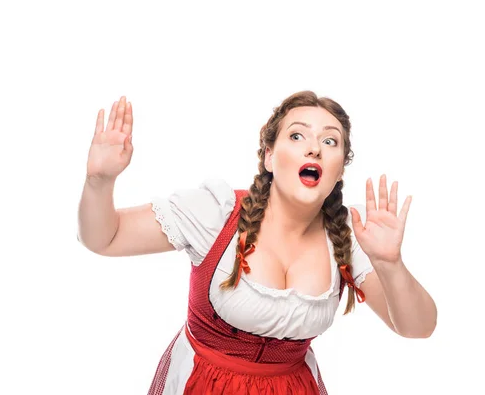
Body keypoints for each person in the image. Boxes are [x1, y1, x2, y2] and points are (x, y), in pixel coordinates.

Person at [77, 91, 437, 394]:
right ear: (268, 156)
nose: (314, 148)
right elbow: (104, 239)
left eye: (330, 141)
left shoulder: (351, 232)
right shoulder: (216, 213)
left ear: (339, 168)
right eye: (297, 136)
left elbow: (417, 327)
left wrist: (390, 263)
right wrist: (98, 182)